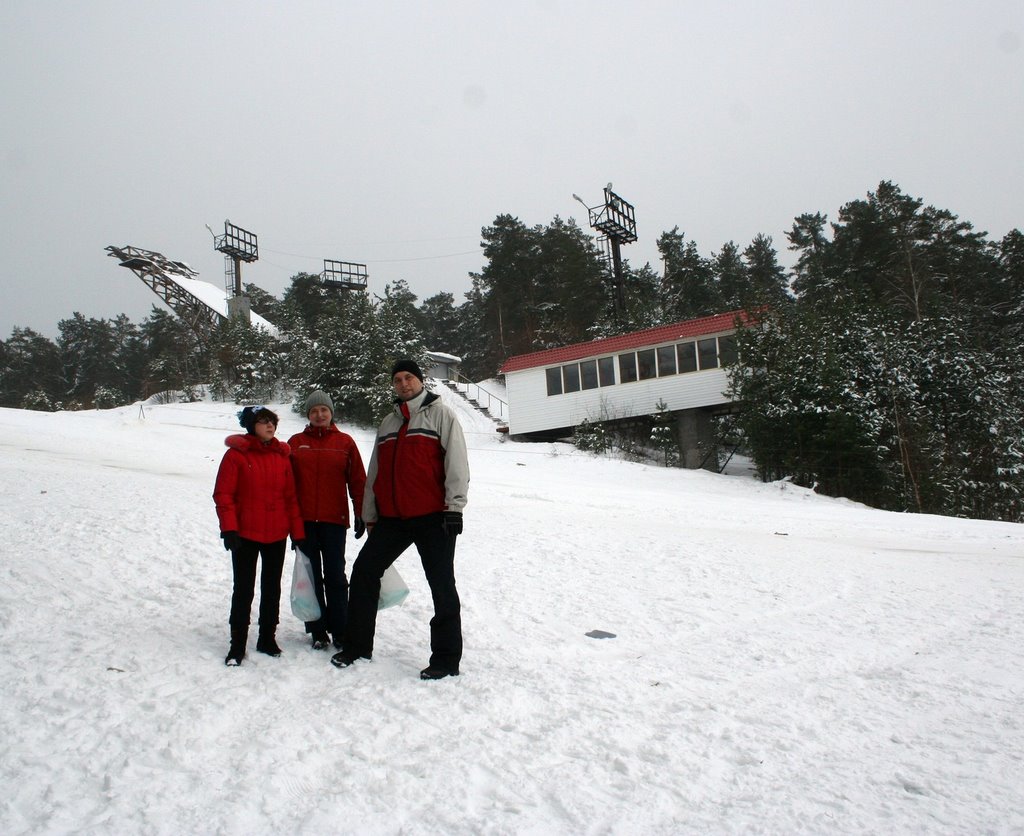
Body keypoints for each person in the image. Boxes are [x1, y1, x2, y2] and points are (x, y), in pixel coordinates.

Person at [332, 359, 469, 680]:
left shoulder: (441, 415)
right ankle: (357, 646)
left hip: (434, 517)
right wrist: (369, 514)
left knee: (441, 585)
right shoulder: (389, 423)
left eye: (409, 377)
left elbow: (457, 463)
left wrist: (454, 507)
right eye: (397, 379)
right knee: (364, 572)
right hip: (393, 518)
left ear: (421, 381)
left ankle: (446, 660)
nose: (403, 384)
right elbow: (376, 470)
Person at [213, 405, 305, 666]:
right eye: (263, 422)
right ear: (251, 426)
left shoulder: (282, 456)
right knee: (243, 589)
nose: (270, 426)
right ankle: (237, 645)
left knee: (271, 588)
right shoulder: (235, 456)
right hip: (245, 534)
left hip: (276, 534)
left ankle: (267, 637)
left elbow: (291, 498)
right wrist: (229, 528)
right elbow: (224, 495)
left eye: (272, 422)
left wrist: (297, 533)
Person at [287, 390, 367, 651]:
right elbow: (285, 485)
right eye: (314, 411)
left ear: (331, 413)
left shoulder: (345, 442)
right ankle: (317, 629)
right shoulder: (295, 443)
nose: (319, 415)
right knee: (309, 576)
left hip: (334, 521)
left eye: (324, 410)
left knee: (335, 575)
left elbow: (358, 481)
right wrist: (289, 521)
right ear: (308, 415)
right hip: (304, 522)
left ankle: (341, 629)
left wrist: (361, 512)